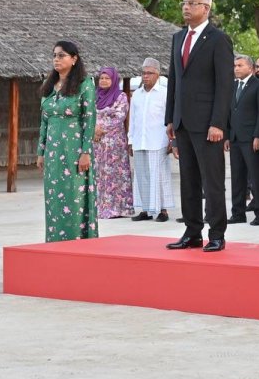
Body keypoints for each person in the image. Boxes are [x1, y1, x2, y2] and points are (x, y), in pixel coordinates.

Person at [165, 0, 234, 252]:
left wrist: (218, 122)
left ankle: (217, 233)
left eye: (192, 3)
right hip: (183, 122)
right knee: (188, 180)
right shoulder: (178, 37)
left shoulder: (218, 39)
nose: (185, 7)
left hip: (208, 124)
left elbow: (224, 85)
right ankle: (192, 232)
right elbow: (174, 80)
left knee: (212, 181)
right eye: (184, 2)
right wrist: (171, 117)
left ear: (206, 8)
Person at [37, 40, 97, 241]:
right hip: (53, 152)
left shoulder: (84, 84)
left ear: (74, 59)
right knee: (54, 197)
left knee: (73, 196)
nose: (56, 59)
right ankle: (55, 241)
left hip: (74, 149)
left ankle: (76, 241)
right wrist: (41, 151)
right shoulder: (49, 86)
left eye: (61, 55)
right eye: (54, 55)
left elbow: (89, 119)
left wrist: (86, 152)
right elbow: (44, 120)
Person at [128, 58, 174, 223]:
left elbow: (170, 119)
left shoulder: (165, 93)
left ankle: (163, 210)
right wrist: (130, 140)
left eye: (149, 73)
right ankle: (146, 210)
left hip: (158, 140)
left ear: (158, 74)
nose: (145, 76)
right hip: (140, 140)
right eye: (143, 73)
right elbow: (132, 119)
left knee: (159, 176)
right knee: (142, 176)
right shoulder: (137, 95)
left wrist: (171, 140)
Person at [226, 54, 259, 225]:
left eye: (240, 65)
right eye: (235, 65)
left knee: (256, 177)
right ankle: (238, 213)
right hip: (235, 138)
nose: (236, 68)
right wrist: (228, 136)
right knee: (237, 177)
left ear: (250, 68)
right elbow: (229, 113)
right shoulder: (232, 85)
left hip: (252, 139)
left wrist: (258, 135)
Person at [93, 66, 134, 219]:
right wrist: (93, 129)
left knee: (115, 174)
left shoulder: (121, 96)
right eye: (102, 78)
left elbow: (119, 117)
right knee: (98, 173)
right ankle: (98, 207)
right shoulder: (94, 96)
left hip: (114, 142)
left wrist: (99, 128)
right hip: (96, 142)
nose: (103, 81)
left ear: (114, 80)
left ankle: (117, 208)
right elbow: (88, 114)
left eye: (107, 78)